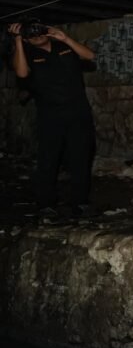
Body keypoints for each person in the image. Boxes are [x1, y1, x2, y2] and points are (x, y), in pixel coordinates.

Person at [7, 19, 96, 216]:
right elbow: (21, 73)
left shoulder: (63, 47)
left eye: (38, 31)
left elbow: (90, 55)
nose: (36, 35)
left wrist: (65, 37)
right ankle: (46, 203)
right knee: (49, 159)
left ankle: (80, 201)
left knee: (80, 157)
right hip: (50, 115)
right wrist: (19, 41)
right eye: (31, 34)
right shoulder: (27, 53)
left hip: (78, 112)